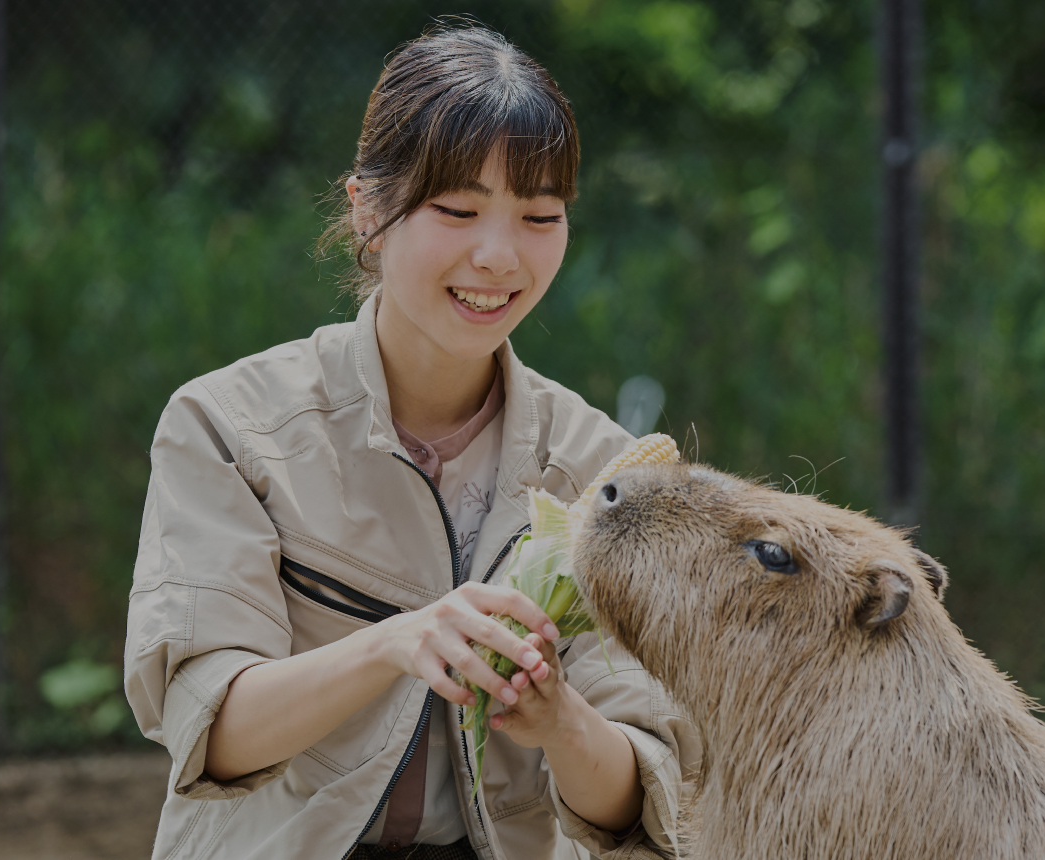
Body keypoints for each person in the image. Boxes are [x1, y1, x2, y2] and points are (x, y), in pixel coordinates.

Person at [124, 25, 697, 860]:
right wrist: (396, 642)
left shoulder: (602, 474)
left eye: (540, 215)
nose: (498, 256)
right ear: (368, 210)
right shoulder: (226, 427)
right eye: (458, 210)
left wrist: (562, 720)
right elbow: (211, 729)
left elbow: (636, 797)